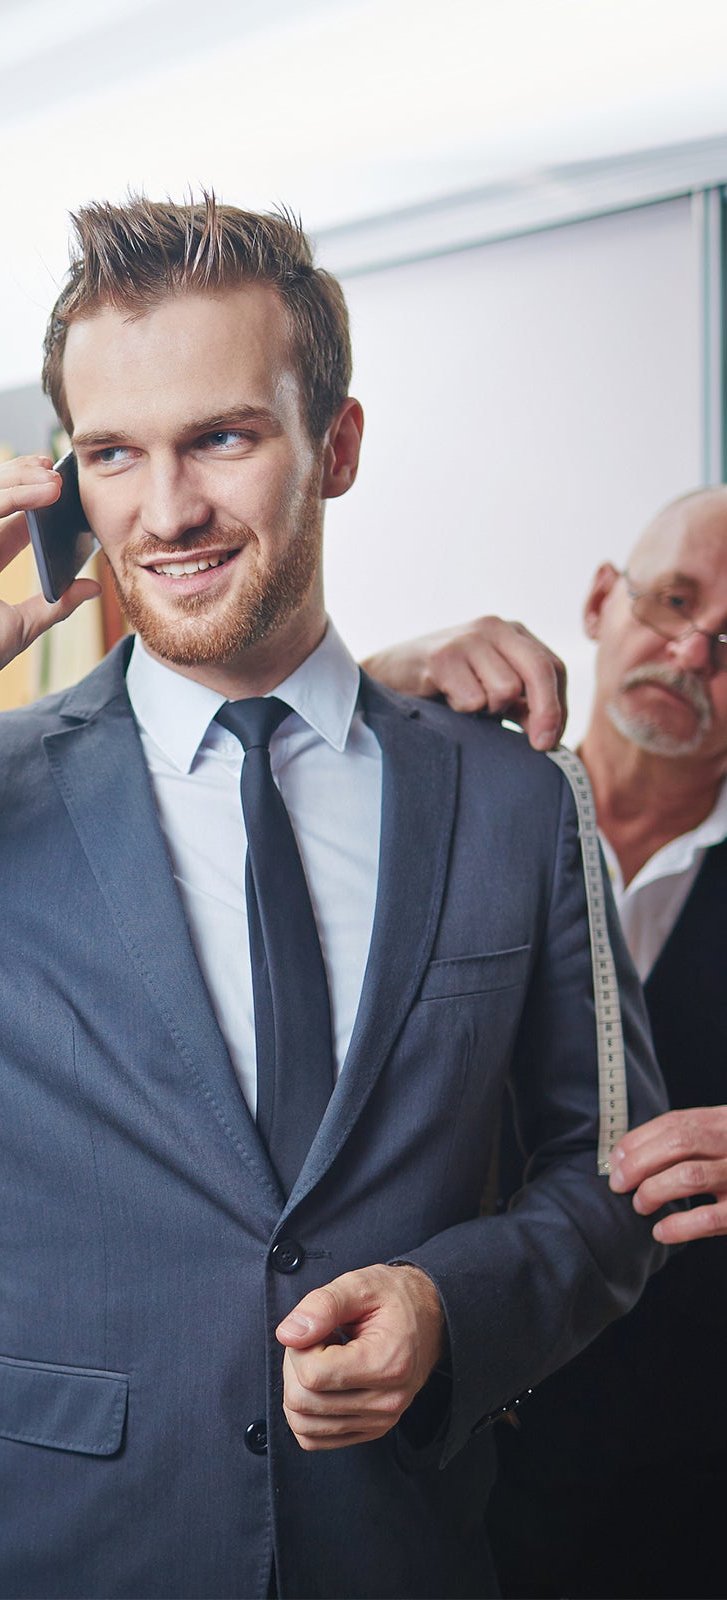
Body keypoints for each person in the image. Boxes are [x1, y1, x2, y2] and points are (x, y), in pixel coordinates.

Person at [0, 195, 666, 1598]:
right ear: (68, 478)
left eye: (222, 437)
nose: (166, 513)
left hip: (395, 1552)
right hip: (53, 1555)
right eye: (113, 453)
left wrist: (447, 1309)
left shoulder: (516, 799)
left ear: (335, 447)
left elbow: (610, 1180)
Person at [367, 490, 727, 1598]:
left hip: (694, 1484)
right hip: (454, 1450)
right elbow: (270, 783)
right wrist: (381, 677)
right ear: (598, 599)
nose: (687, 652)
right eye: (671, 601)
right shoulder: (456, 810)